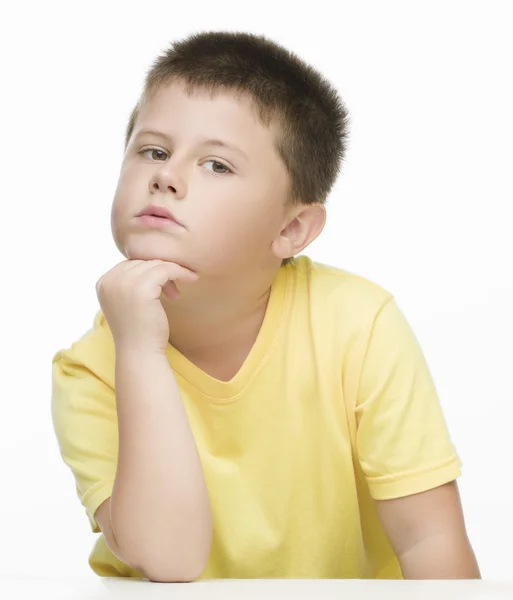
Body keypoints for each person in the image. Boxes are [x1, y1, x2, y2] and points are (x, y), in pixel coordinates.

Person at [51, 30, 481, 582]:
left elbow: (430, 541)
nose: (165, 176)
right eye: (153, 151)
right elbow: (169, 559)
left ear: (291, 227)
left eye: (217, 166)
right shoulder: (90, 370)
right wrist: (138, 349)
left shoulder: (357, 326)